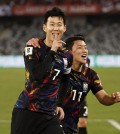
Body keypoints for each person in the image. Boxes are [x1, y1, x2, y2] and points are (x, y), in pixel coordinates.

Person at [27, 34, 120, 134]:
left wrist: (112, 99)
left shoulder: (91, 75)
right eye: (80, 47)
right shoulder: (58, 70)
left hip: (71, 127)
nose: (85, 50)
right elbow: (39, 69)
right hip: (50, 124)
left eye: (85, 47)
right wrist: (32, 43)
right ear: (70, 52)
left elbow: (103, 97)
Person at [11, 7, 73, 134]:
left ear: (64, 28)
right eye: (52, 24)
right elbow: (36, 75)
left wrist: (60, 104)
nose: (55, 28)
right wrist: (52, 51)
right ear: (45, 27)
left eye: (59, 25)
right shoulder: (33, 47)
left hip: (50, 115)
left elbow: (65, 79)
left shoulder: (67, 55)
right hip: (27, 111)